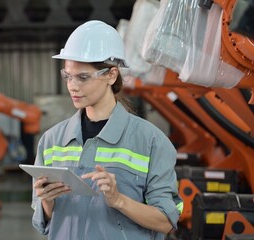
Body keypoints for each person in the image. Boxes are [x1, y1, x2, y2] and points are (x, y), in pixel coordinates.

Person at [31, 20, 183, 240]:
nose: (73, 85)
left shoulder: (151, 141)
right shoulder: (52, 140)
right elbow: (43, 223)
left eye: (83, 77)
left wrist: (118, 200)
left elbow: (167, 221)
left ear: (111, 75)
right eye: (68, 76)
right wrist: (46, 200)